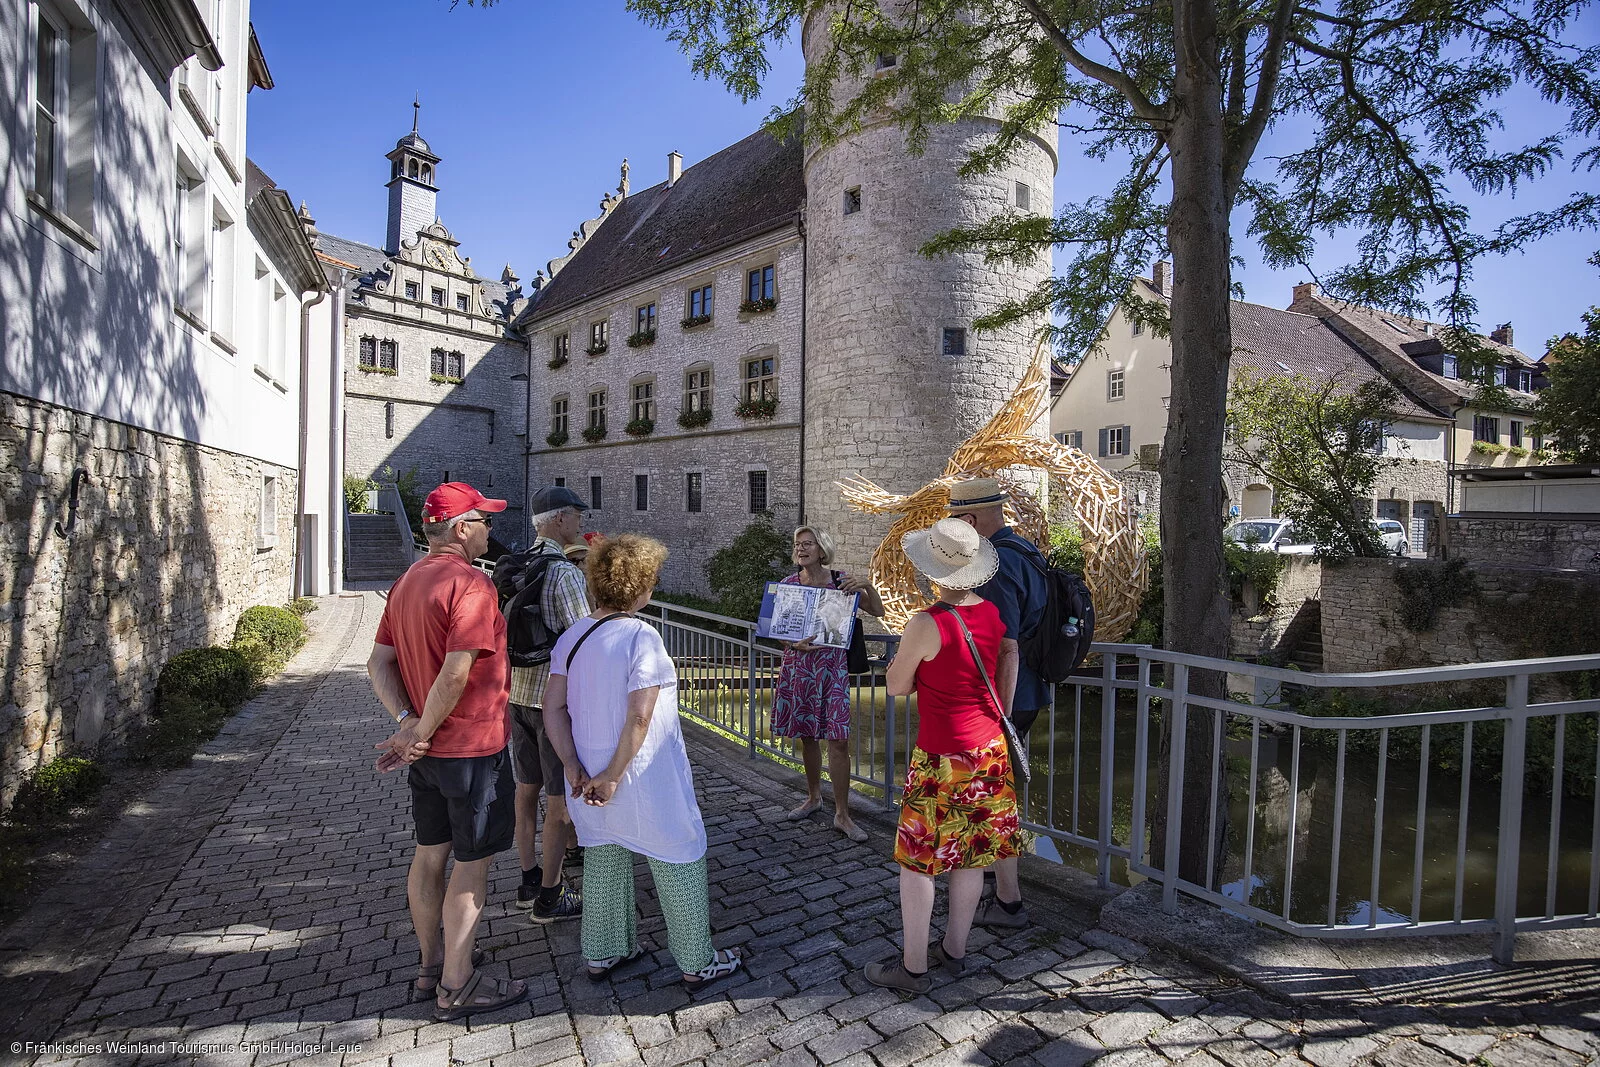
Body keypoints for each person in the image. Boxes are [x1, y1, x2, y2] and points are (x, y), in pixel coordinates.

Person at [541, 534, 747, 989]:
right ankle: (697, 961)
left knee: (604, 858)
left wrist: (571, 765)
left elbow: (552, 708)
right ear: (642, 587)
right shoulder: (642, 636)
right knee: (680, 853)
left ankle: (604, 952)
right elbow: (640, 714)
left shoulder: (572, 637)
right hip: (641, 775)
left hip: (585, 776)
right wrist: (613, 776)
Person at [366, 481, 527, 1021]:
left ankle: (430, 964)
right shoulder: (472, 586)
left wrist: (409, 724)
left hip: (427, 756)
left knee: (429, 853)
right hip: (470, 749)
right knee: (472, 864)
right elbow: (457, 672)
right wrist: (422, 729)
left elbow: (378, 663)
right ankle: (457, 986)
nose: (491, 530)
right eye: (485, 520)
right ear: (462, 528)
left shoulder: (407, 581)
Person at [866, 517, 1021, 993]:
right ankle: (954, 952)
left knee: (918, 862)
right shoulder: (992, 616)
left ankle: (913, 969)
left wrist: (915, 673)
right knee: (972, 857)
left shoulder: (926, 623)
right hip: (989, 751)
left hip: (941, 756)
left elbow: (895, 686)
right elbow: (1006, 662)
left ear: (934, 569)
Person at [948, 477, 1050, 929]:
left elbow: (1004, 647)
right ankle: (1000, 890)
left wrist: (997, 718)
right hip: (1027, 690)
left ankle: (1007, 900)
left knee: (988, 801)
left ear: (970, 519)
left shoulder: (997, 564)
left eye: (956, 519)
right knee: (995, 797)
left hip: (1005, 700)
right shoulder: (1026, 550)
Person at [502, 485, 591, 922]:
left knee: (525, 794)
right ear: (559, 520)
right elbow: (583, 641)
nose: (579, 522)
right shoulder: (563, 572)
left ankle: (528, 879)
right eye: (576, 515)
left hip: (516, 695)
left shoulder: (519, 563)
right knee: (558, 802)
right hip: (550, 706)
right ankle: (551, 899)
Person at [770, 525, 885, 842]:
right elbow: (776, 628)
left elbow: (877, 610)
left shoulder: (841, 582)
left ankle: (843, 815)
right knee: (807, 737)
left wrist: (867, 587)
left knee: (838, 740)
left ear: (822, 549)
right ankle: (814, 797)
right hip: (799, 667)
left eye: (808, 543)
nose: (801, 549)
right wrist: (793, 645)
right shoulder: (789, 584)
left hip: (832, 670)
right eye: (797, 544)